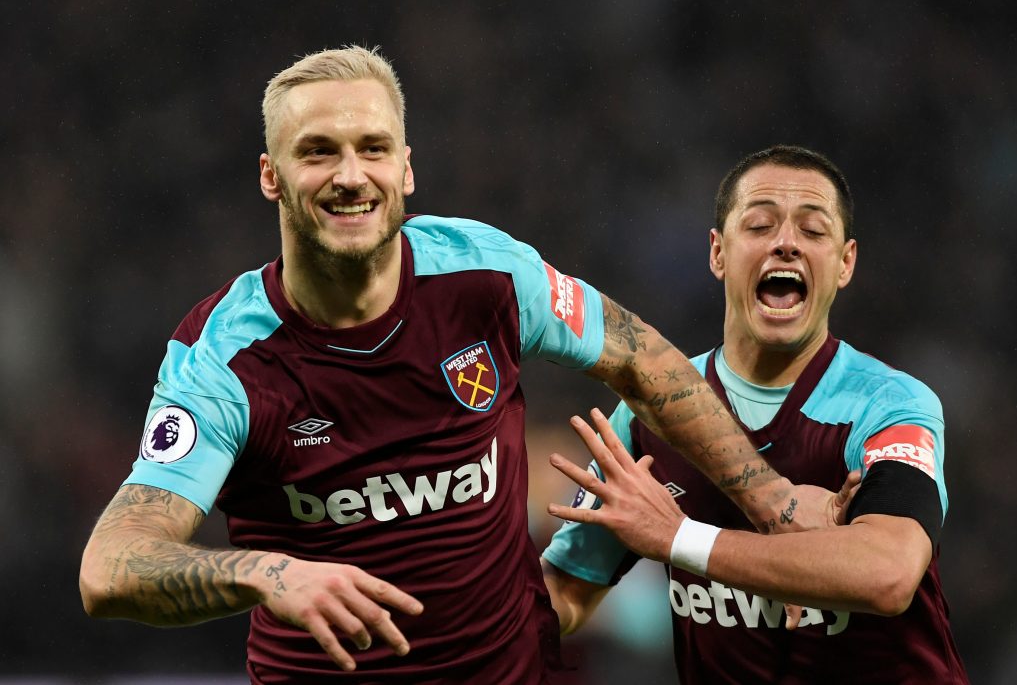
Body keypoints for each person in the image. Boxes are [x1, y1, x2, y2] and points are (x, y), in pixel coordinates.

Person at [77, 50, 838, 684]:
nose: (350, 174)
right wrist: (268, 574)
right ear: (271, 176)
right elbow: (110, 568)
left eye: (372, 148)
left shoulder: (486, 275)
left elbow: (642, 358)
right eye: (318, 152)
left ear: (405, 169)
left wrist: (771, 498)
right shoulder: (225, 357)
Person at [542, 145, 969, 683]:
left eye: (813, 232)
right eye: (761, 225)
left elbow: (887, 574)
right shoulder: (651, 414)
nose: (786, 243)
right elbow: (565, 593)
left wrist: (678, 539)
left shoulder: (890, 405)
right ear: (718, 253)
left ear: (845, 263)